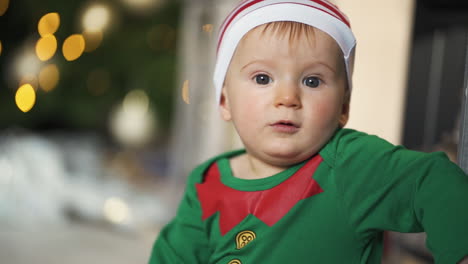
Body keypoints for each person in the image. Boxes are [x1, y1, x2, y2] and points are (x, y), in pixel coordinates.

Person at [149, 0, 468, 263]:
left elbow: (433, 181)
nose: (287, 98)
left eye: (312, 81)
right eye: (262, 79)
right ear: (224, 99)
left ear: (343, 106)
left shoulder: (350, 165)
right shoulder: (207, 183)